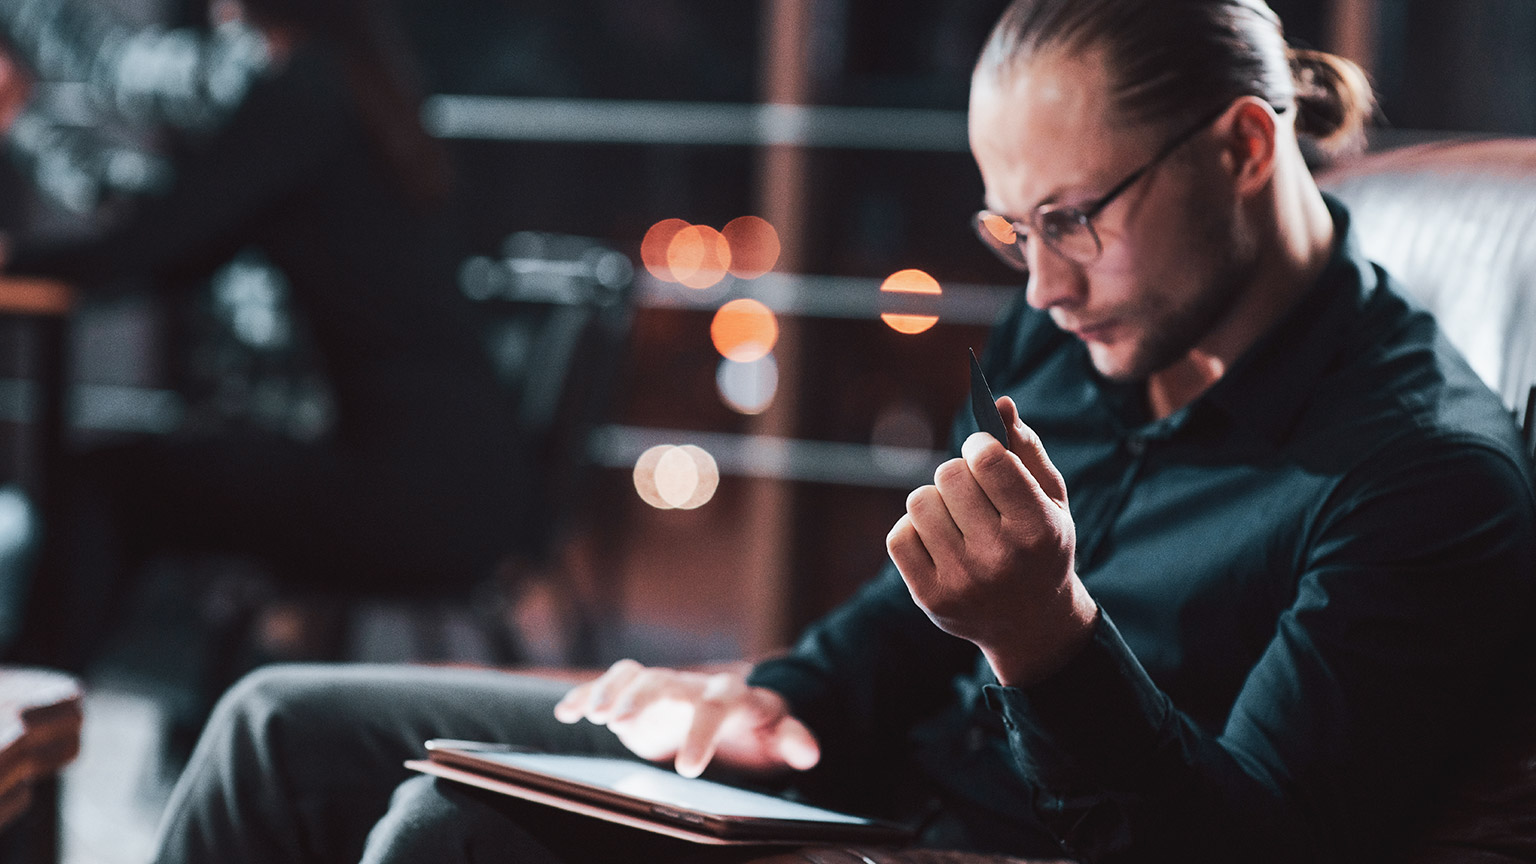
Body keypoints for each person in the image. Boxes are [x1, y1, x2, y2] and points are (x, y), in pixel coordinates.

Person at [143, 0, 1536, 862]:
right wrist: (784, 699)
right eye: (1015, 227)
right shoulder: (1090, 324)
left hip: (990, 846)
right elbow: (901, 605)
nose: (1040, 286)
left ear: (1242, 147)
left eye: (1074, 222)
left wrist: (1047, 647)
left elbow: (1250, 853)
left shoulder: (1420, 479)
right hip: (866, 782)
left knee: (456, 836)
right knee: (278, 727)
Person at [0, 0, 529, 671]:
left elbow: (151, 248)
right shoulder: (353, 90)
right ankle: (41, 713)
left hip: (412, 497)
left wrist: (15, 255)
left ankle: (29, 718)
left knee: (106, 484)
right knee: (123, 477)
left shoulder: (301, 96)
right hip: (463, 485)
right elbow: (174, 231)